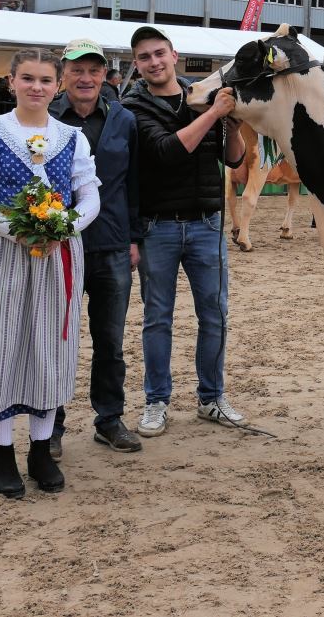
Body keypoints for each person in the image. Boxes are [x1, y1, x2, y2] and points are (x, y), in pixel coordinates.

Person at [0, 48, 100, 498]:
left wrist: (61, 228)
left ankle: (39, 449)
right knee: (0, 345)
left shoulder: (72, 138)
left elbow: (89, 197)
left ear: (57, 86)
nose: (37, 87)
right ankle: (1, 454)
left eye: (45, 80)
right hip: (5, 253)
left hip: (56, 255)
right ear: (12, 81)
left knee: (48, 348)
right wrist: (17, 231)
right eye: (28, 78)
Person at [121, 25, 248, 437]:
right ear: (137, 65)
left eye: (160, 53)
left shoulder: (203, 96)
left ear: (174, 55)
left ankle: (212, 398)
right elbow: (166, 152)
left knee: (214, 315)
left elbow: (234, 160)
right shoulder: (132, 107)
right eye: (145, 57)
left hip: (208, 224)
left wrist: (231, 122)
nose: (154, 62)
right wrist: (214, 113)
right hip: (156, 226)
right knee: (158, 319)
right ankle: (156, 401)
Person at [48, 38, 143, 457]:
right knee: (53, 339)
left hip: (112, 245)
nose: (85, 78)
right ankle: (49, 425)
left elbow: (136, 183)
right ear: (63, 74)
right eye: (76, 70)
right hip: (55, 248)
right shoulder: (45, 118)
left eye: (94, 70)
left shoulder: (124, 119)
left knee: (110, 340)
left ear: (105, 74)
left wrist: (135, 237)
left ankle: (109, 419)